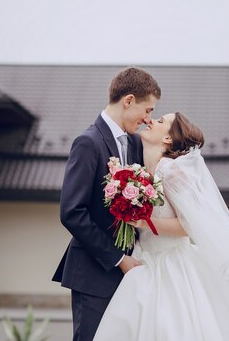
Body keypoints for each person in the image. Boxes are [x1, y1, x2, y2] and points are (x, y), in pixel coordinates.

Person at [93, 112, 229, 341]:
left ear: (167, 139)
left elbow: (191, 225)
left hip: (171, 265)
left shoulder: (172, 171)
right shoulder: (142, 171)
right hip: (144, 260)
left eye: (161, 121)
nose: (151, 121)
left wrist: (145, 221)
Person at [52, 67, 161, 341]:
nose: (149, 119)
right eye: (147, 110)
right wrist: (118, 259)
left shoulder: (136, 144)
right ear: (128, 101)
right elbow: (71, 212)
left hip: (131, 275)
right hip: (94, 273)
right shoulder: (88, 143)